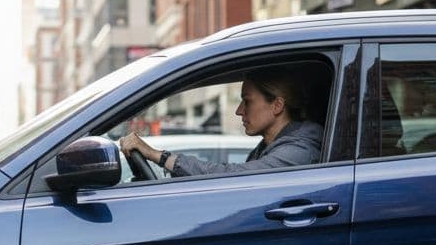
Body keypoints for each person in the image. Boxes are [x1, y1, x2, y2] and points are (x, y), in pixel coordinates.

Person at [120, 73, 323, 177]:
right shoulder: (267, 148)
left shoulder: (298, 151)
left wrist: (158, 155)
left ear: (277, 105)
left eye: (247, 101)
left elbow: (235, 176)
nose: (239, 110)